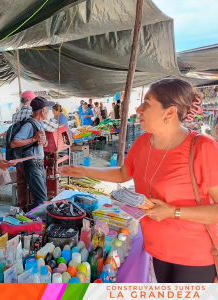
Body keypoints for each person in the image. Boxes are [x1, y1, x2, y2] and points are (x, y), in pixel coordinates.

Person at [59, 78, 218, 283]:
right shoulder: (144, 142)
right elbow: (124, 173)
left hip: (196, 256)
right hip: (158, 250)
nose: (139, 108)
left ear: (169, 112)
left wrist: (172, 211)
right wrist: (83, 170)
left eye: (147, 103)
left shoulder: (203, 148)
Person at [10, 97, 55, 210]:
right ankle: (33, 221)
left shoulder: (39, 124)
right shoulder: (29, 125)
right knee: (41, 198)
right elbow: (14, 143)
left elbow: (43, 142)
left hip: (39, 163)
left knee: (41, 197)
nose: (48, 112)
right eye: (48, 109)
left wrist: (43, 142)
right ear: (42, 111)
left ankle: (32, 218)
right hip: (32, 164)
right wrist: (33, 139)